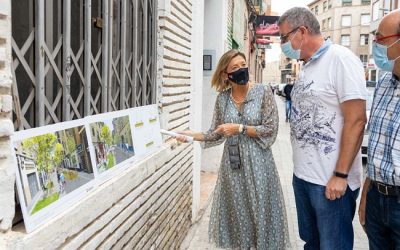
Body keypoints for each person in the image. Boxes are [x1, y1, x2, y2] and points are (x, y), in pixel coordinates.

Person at [177, 49, 290, 249]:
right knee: (239, 214)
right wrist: (191, 135)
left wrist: (240, 128)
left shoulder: (263, 92)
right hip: (233, 167)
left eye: (243, 65)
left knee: (260, 212)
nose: (242, 70)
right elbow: (216, 133)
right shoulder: (223, 99)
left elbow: (270, 129)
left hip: (260, 165)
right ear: (225, 74)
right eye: (235, 67)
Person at [278, 7, 367, 250]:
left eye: (284, 37)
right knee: (312, 243)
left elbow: (357, 120)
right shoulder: (307, 66)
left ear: (302, 32)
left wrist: (340, 175)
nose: (282, 44)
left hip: (330, 183)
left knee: (333, 246)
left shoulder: (341, 59)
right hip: (304, 178)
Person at [358, 10, 400, 250]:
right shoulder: (383, 82)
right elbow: (376, 146)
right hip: (376, 198)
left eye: (381, 39)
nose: (375, 45)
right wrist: (366, 194)